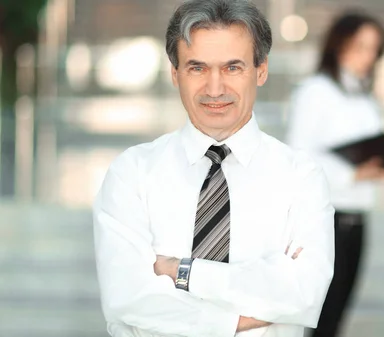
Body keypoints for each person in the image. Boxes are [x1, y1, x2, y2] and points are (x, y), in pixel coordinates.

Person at [92, 1, 334, 336]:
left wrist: (182, 272)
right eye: (197, 68)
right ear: (175, 73)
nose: (215, 88)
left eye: (233, 68)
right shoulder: (131, 173)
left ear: (261, 70)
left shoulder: (301, 179)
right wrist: (243, 318)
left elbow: (305, 293)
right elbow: (127, 299)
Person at [286, 11, 384, 337]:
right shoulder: (315, 92)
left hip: (358, 218)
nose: (367, 56)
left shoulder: (362, 97)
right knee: (322, 317)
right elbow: (300, 160)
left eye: (374, 49)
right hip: (327, 220)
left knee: (338, 316)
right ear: (339, 43)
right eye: (360, 46)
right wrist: (353, 176)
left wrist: (380, 168)